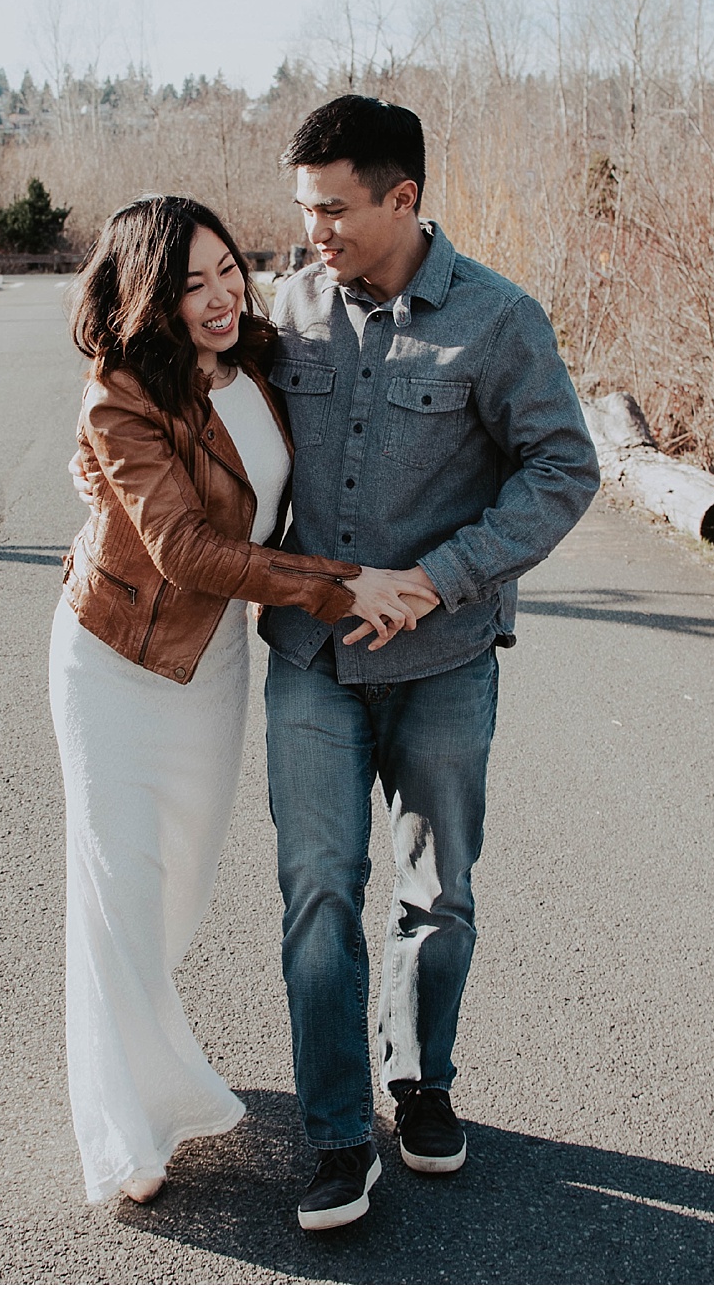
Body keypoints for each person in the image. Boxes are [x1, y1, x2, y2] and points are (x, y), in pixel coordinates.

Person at [51, 195, 431, 1206]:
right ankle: (123, 1123)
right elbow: (184, 548)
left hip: (211, 661)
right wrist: (341, 582)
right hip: (117, 658)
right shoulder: (122, 396)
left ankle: (143, 1044)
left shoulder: (260, 352)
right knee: (119, 881)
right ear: (147, 295)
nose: (220, 296)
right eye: (190, 284)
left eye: (227, 270)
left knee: (177, 879)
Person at [261, 95, 598, 1228]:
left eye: (334, 209)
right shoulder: (282, 311)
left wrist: (443, 575)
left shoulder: (501, 321)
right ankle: (335, 1135)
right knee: (317, 891)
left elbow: (560, 469)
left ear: (403, 197)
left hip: (445, 656)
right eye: (305, 209)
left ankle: (421, 1080)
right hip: (310, 654)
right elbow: (207, 427)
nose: (315, 231)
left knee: (436, 893)